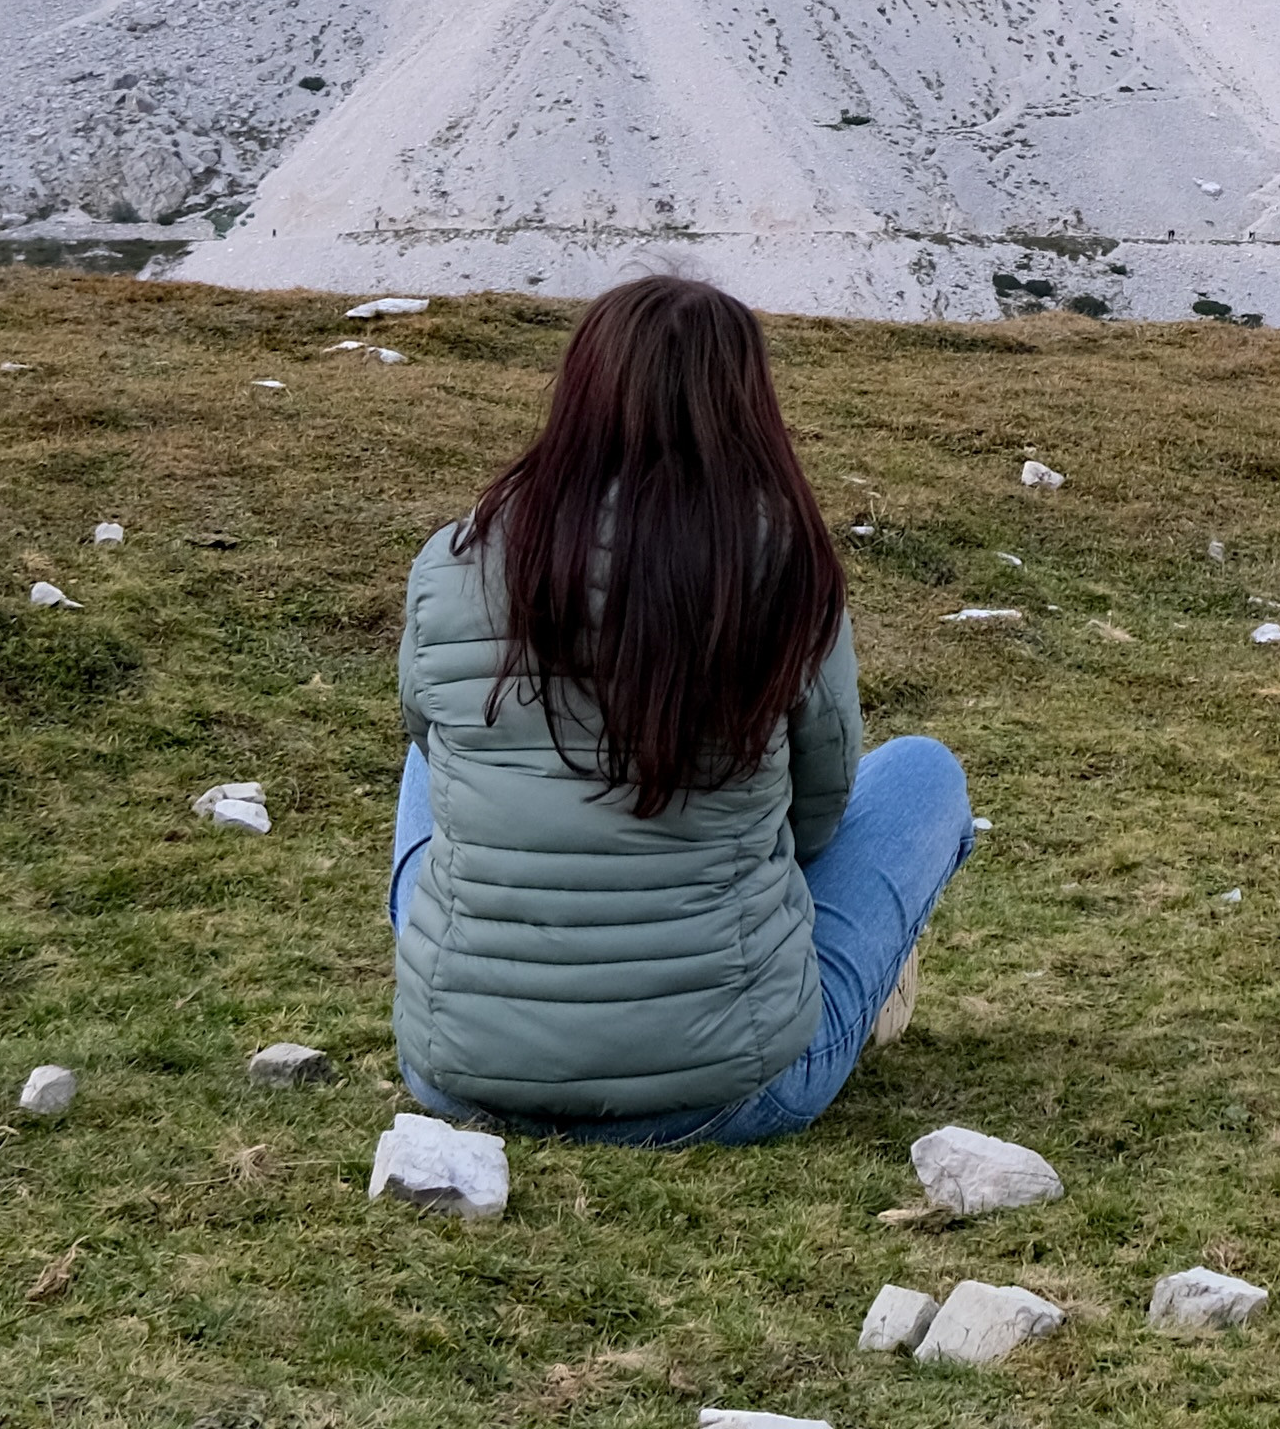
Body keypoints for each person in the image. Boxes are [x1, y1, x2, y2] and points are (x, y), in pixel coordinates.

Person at [386, 272, 972, 1143]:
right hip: (729, 1091)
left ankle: (498, 988)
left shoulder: (458, 554)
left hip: (460, 1073)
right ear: (745, 407)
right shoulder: (780, 566)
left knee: (440, 752)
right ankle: (825, 997)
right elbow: (817, 817)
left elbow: (433, 744)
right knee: (924, 773)